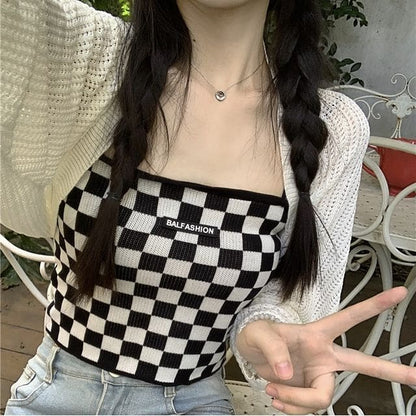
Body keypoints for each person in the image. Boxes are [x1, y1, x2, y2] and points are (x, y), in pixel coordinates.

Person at [1, 0, 414, 414]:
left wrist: (262, 331)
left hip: (193, 402)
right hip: (56, 393)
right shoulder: (88, 59)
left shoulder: (332, 128)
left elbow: (291, 298)